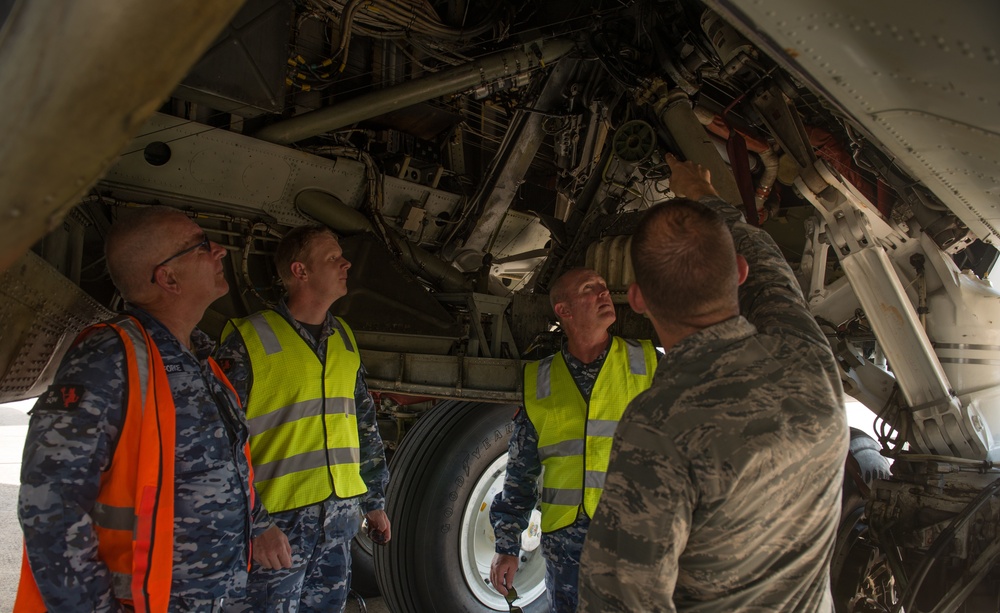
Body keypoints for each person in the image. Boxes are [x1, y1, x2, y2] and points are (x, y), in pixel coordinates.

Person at [577, 155, 849, 612]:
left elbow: (618, 599)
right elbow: (768, 266)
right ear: (738, 273)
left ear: (638, 300)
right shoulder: (809, 362)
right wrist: (701, 194)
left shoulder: (660, 427)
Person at [15, 206, 277, 612]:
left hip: (220, 595)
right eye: (202, 246)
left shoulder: (201, 359)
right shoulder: (108, 358)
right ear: (167, 277)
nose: (220, 251)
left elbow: (225, 467)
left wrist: (260, 524)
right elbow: (50, 506)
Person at [215, 224, 391, 612]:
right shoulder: (248, 340)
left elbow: (363, 423)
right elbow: (221, 446)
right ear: (300, 271)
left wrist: (374, 499)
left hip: (337, 528)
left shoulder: (343, 336)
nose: (346, 262)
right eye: (332, 258)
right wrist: (257, 526)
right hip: (277, 531)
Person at [489, 267, 658, 613]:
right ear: (564, 310)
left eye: (603, 287)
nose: (604, 293)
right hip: (565, 549)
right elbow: (520, 472)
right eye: (589, 289)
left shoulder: (647, 363)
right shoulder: (540, 380)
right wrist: (507, 545)